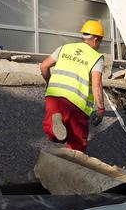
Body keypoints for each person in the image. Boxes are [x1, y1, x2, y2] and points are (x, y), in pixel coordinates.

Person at [40, 20, 106, 153]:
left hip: (54, 96)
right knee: (77, 141)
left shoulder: (64, 48)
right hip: (76, 103)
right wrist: (101, 108)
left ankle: (55, 126)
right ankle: (73, 166)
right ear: (96, 39)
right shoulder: (96, 57)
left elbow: (44, 66)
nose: (99, 46)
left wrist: (49, 82)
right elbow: (97, 85)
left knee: (53, 132)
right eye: (100, 42)